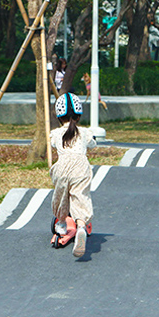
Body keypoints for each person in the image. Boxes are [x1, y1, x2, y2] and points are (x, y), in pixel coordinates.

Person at [49, 92, 95, 257]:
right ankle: (81, 226)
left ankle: (61, 223)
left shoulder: (56, 133)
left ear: (59, 116)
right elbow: (92, 144)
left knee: (60, 196)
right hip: (81, 167)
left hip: (62, 167)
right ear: (79, 114)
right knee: (80, 197)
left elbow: (53, 143)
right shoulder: (84, 132)